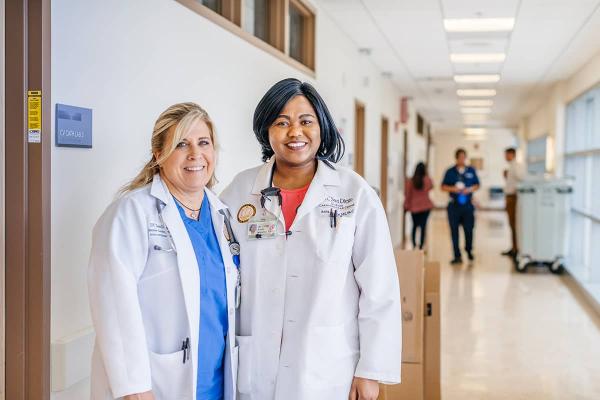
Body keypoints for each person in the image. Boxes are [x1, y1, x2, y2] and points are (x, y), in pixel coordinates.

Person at [220, 78, 401, 400]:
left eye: (306, 122)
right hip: (255, 363)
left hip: (329, 366)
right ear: (266, 130)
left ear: (322, 128)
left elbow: (379, 287)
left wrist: (371, 370)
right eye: (281, 122)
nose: (295, 133)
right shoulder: (239, 191)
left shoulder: (354, 193)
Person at [88, 103, 239, 400]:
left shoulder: (223, 215)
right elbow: (113, 303)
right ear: (159, 155)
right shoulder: (131, 213)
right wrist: (134, 388)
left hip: (216, 382)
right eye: (181, 144)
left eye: (203, 142)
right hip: (154, 386)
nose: (195, 154)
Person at [441, 148, 480, 264]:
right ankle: (457, 255)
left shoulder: (471, 170)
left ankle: (468, 250)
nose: (462, 159)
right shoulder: (450, 171)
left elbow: (477, 185)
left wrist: (469, 190)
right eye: (460, 157)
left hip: (468, 206)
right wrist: (454, 189)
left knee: (469, 229)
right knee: (454, 231)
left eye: (464, 157)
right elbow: (443, 186)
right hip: (454, 206)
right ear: (456, 158)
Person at [404, 162, 434, 250]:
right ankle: (421, 246)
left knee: (414, 226)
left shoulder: (410, 181)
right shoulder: (428, 180)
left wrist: (406, 206)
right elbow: (431, 187)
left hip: (414, 207)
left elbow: (407, 195)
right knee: (423, 226)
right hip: (426, 207)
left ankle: (414, 245)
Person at [502, 147, 525, 258]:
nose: (505, 157)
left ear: (512, 154)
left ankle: (516, 249)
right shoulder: (511, 166)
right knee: (511, 224)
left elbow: (521, 179)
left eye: (506, 154)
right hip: (509, 197)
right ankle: (514, 247)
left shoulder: (516, 166)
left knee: (514, 224)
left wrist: (516, 190)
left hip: (513, 198)